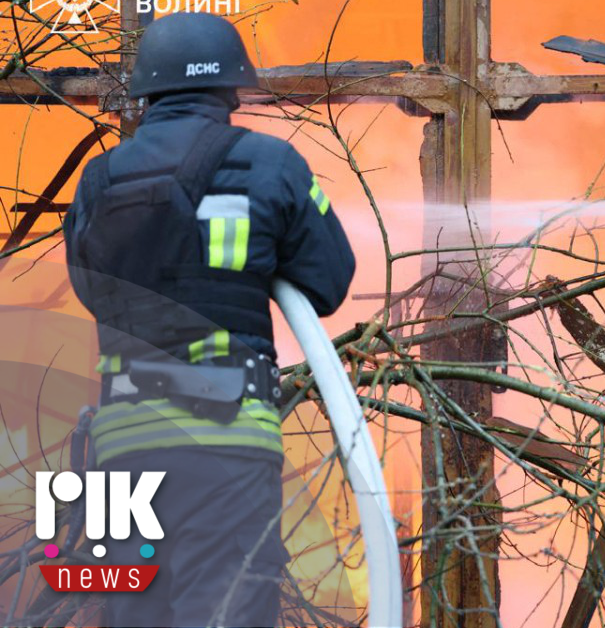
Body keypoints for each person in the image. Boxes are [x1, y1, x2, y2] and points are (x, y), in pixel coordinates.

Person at [63, 12, 356, 627]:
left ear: (146, 91)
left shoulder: (97, 181)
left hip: (122, 453)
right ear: (231, 88)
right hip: (225, 444)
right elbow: (329, 283)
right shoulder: (270, 164)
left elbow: (92, 290)